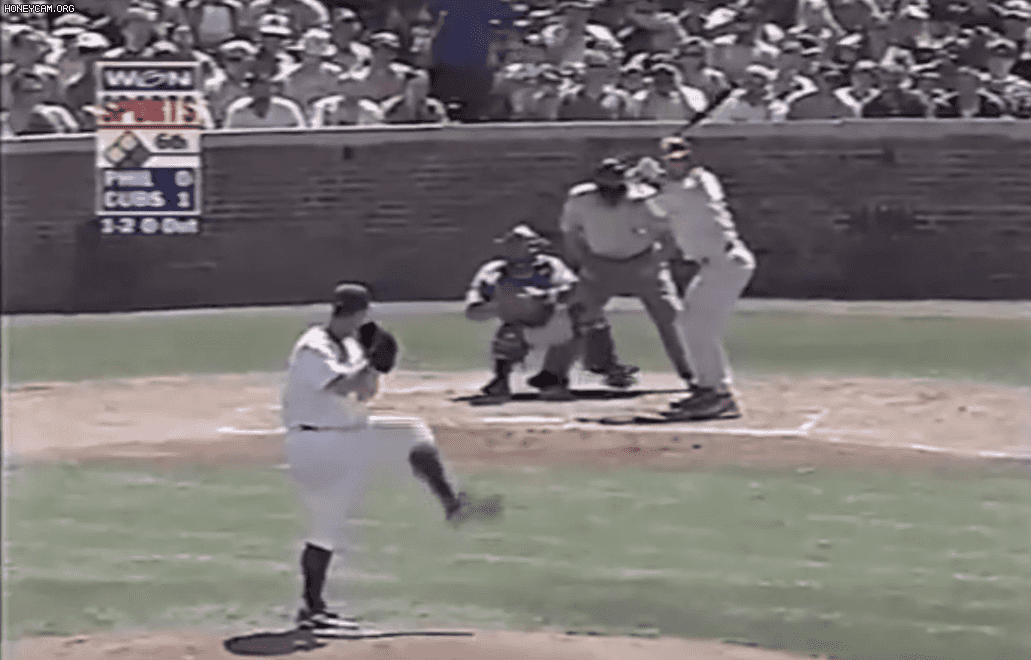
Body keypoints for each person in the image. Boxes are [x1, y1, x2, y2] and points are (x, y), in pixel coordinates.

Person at [282, 283, 502, 635]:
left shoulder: (351, 344)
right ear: (360, 313)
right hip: (315, 442)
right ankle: (312, 609)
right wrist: (370, 364)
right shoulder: (314, 346)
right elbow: (340, 386)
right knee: (326, 525)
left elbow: (364, 393)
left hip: (350, 432)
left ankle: (452, 504)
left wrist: (375, 369)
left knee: (411, 430)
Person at [559, 157, 693, 390]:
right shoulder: (580, 199)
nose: (611, 193)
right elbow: (571, 233)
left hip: (643, 262)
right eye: (606, 187)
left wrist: (655, 262)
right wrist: (585, 261)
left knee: (672, 318)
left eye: (616, 187)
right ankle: (556, 375)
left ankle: (692, 373)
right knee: (577, 316)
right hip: (599, 264)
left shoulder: (646, 199)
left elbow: (670, 236)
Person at [647, 137, 755, 421]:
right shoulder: (670, 189)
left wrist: (654, 179)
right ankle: (709, 388)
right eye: (672, 160)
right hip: (711, 266)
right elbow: (656, 209)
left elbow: (684, 196)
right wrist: (643, 182)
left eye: (682, 159)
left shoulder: (703, 181)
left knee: (697, 326)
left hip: (727, 262)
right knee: (689, 325)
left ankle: (718, 394)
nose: (678, 164)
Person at [465, 225, 581, 404]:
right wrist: (501, 306)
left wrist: (545, 296)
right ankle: (501, 380)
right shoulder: (493, 272)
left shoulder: (550, 265)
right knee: (508, 335)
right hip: (517, 328)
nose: (513, 247)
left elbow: (573, 290)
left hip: (551, 322)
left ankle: (552, 379)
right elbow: (473, 311)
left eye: (520, 242)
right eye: (510, 242)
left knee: (583, 322)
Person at [281, 28, 344, 120]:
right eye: (308, 55)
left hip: (328, 120)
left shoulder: (333, 73)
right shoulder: (290, 74)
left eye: (314, 57)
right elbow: (288, 102)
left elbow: (337, 99)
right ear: (301, 54)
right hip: (296, 120)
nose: (310, 59)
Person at [1, 69, 79, 137]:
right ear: (14, 93)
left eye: (38, 91)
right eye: (29, 91)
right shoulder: (3, 121)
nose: (35, 96)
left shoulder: (55, 113)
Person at [706, 64, 789, 123]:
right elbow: (716, 124)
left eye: (756, 76)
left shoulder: (777, 107)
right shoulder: (731, 103)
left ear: (767, 81)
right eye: (748, 76)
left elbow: (775, 132)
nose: (750, 79)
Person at [224, 71, 306, 128]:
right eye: (254, 84)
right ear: (248, 89)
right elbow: (228, 139)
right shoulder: (236, 109)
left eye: (263, 83)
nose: (260, 87)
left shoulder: (287, 108)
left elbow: (302, 136)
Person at [785, 61, 855, 119]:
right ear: (817, 79)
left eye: (836, 79)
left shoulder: (846, 104)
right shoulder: (800, 104)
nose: (833, 84)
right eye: (829, 79)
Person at [310, 72, 385, 127]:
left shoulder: (370, 110)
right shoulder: (323, 106)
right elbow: (316, 130)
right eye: (345, 84)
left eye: (355, 85)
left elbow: (378, 133)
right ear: (339, 87)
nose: (350, 89)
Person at [860, 61, 931, 117]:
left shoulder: (916, 102)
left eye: (894, 82)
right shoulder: (870, 106)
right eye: (886, 81)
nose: (889, 85)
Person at [934, 65, 1008, 117]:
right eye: (961, 84)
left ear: (978, 85)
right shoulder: (944, 105)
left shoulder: (992, 105)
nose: (965, 88)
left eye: (969, 84)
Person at [380, 68, 448, 123]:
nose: (418, 90)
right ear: (406, 87)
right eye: (415, 86)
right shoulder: (391, 107)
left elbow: (444, 124)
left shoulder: (435, 107)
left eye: (423, 86)